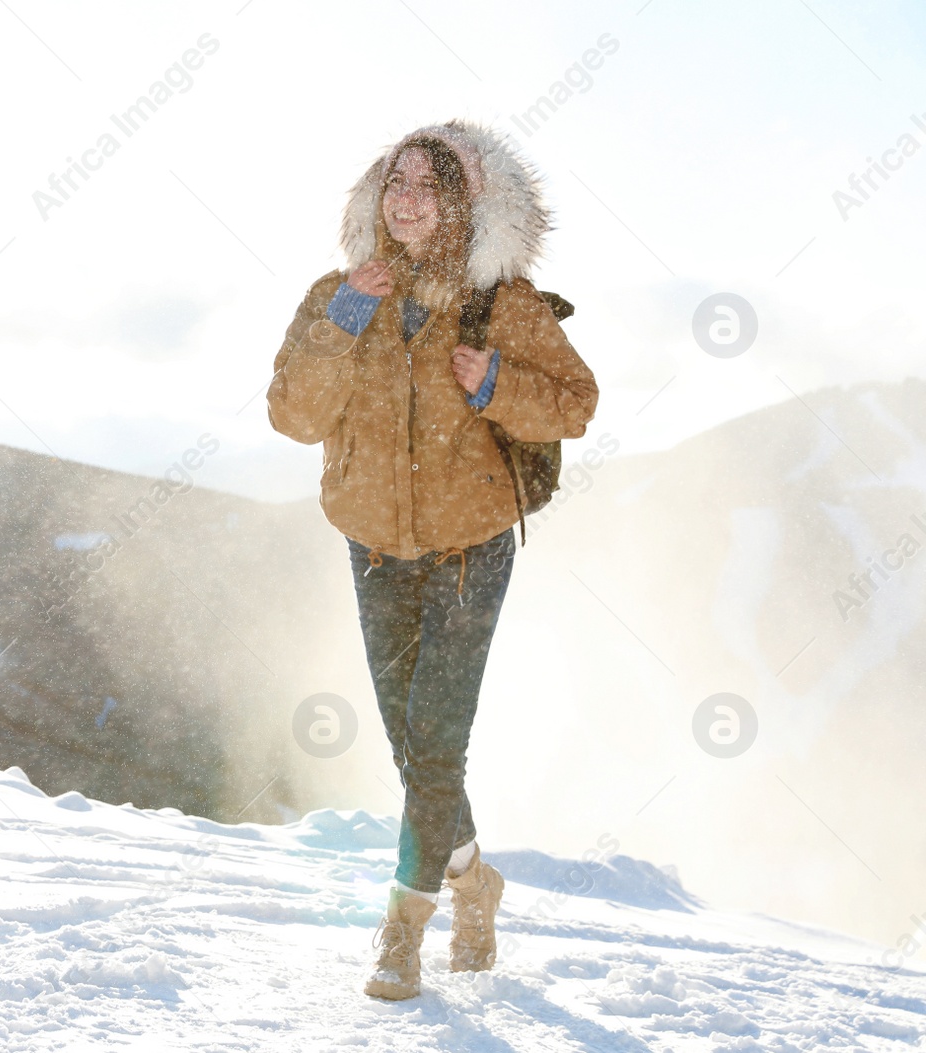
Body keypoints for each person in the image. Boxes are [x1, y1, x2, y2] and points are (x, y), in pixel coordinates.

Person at [265, 120, 598, 1000]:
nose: (405, 199)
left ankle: (402, 929)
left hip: (468, 554)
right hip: (373, 550)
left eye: (426, 185)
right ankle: (475, 880)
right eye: (394, 182)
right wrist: (344, 319)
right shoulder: (338, 296)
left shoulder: (500, 302)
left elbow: (575, 402)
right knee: (415, 747)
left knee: (437, 744)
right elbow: (293, 416)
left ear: (459, 205)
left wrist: (495, 382)